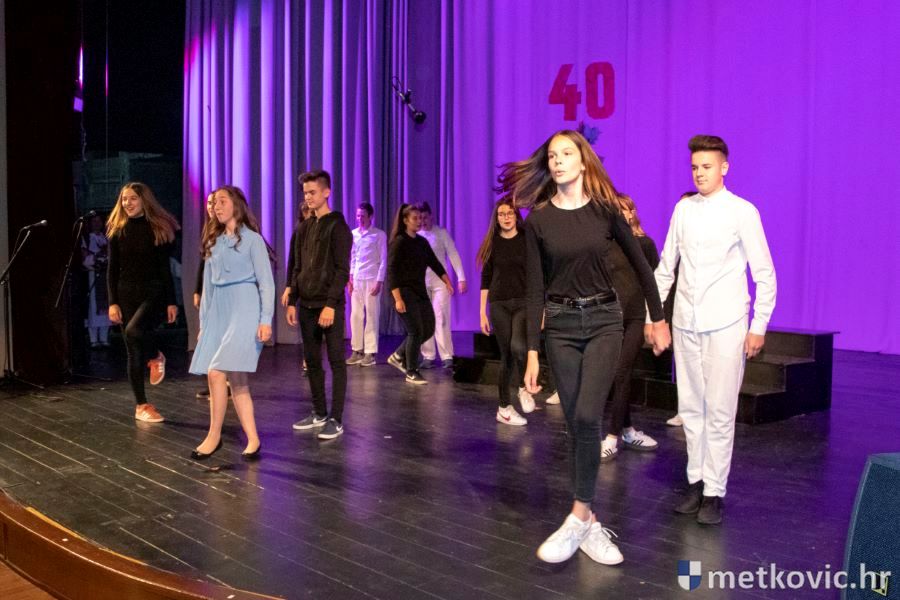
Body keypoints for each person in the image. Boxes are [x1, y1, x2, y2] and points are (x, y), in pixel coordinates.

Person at [500, 130, 670, 566]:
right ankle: (590, 521)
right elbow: (535, 290)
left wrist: (657, 319)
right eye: (552, 156)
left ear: (582, 160)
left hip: (603, 321)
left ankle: (577, 516)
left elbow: (643, 267)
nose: (557, 161)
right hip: (559, 326)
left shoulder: (605, 210)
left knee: (590, 415)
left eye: (566, 153)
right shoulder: (538, 220)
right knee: (577, 424)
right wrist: (532, 351)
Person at [654, 135, 776, 525]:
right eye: (695, 167)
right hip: (685, 322)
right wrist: (654, 317)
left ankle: (714, 491)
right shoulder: (684, 209)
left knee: (720, 409)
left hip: (726, 323)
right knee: (691, 408)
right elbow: (665, 267)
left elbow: (764, 273)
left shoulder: (742, 211)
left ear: (724, 167)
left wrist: (758, 325)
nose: (699, 173)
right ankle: (696, 481)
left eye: (707, 166)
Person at [189, 185, 274, 460]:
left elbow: (266, 283)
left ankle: (214, 436)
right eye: (214, 203)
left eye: (222, 201)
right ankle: (254, 439)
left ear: (236, 204)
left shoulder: (253, 240)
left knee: (216, 373)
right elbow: (208, 288)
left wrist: (265, 320)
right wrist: (204, 325)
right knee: (237, 379)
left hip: (245, 307)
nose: (216, 207)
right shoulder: (214, 242)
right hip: (220, 311)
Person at [286, 170, 353, 440]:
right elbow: (298, 267)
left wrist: (331, 305)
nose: (308, 197)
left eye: (312, 192)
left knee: (336, 361)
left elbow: (342, 270)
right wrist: (293, 300)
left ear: (327, 192)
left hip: (329, 306)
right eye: (305, 193)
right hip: (306, 306)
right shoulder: (304, 228)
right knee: (312, 362)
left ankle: (336, 418)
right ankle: (319, 413)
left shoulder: (338, 227)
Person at [106, 182, 179, 423]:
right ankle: (141, 405)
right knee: (133, 350)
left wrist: (171, 301)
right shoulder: (117, 230)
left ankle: (156, 355)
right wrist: (112, 302)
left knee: (133, 330)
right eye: (124, 199)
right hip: (125, 293)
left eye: (133, 199)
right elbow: (111, 270)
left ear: (144, 200)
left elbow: (165, 270)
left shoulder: (157, 228)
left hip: (152, 292)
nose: (127, 203)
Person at [601, 195, 661, 462]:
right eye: (618, 210)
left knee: (622, 372)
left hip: (636, 317)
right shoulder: (606, 244)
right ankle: (627, 429)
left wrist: (655, 320)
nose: (624, 214)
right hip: (610, 318)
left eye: (627, 209)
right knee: (616, 374)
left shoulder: (644, 244)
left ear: (633, 213)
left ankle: (612, 437)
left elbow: (655, 283)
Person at [478, 199, 533, 426]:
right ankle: (503, 408)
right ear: (497, 218)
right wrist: (482, 312)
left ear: (516, 215)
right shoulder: (493, 243)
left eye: (510, 213)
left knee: (518, 347)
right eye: (502, 214)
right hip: (499, 304)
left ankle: (523, 388)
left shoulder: (526, 239)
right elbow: (486, 279)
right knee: (506, 356)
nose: (506, 217)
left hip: (522, 302)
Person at [386, 204, 453, 385]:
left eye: (420, 218)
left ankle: (398, 355)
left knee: (428, 329)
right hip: (403, 292)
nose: (418, 221)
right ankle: (411, 371)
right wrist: (397, 299)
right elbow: (391, 271)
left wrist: (447, 281)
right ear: (405, 221)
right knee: (415, 331)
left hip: (419, 291)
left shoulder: (422, 242)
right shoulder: (399, 242)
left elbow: (434, 262)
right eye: (414, 218)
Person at [417, 202, 466, 369]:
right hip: (422, 283)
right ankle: (428, 355)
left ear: (431, 216)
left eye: (425, 217)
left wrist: (461, 278)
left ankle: (447, 355)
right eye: (419, 218)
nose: (422, 221)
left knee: (441, 317)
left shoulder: (441, 233)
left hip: (440, 283)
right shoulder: (416, 236)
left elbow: (453, 254)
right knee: (425, 319)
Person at [346, 202, 387, 367]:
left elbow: (383, 260)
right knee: (355, 315)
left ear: (370, 217)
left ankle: (370, 352)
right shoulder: (354, 234)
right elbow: (353, 258)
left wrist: (379, 281)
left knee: (371, 315)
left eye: (363, 216)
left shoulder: (379, 235)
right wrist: (350, 279)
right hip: (357, 279)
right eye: (358, 215)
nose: (360, 219)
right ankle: (357, 350)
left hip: (372, 279)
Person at [280, 201, 311, 376]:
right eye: (305, 212)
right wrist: (288, 287)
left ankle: (313, 360)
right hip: (302, 283)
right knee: (307, 326)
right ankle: (307, 361)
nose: (308, 215)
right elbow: (292, 262)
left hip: (319, 285)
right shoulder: (298, 232)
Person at [81, 213, 111, 348]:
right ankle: (93, 339)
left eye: (99, 221)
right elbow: (84, 257)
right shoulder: (87, 238)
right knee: (93, 307)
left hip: (105, 276)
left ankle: (104, 338)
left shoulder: (106, 238)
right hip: (92, 275)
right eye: (94, 221)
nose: (97, 224)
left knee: (106, 307)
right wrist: (96, 259)